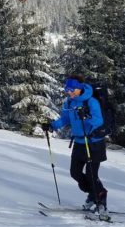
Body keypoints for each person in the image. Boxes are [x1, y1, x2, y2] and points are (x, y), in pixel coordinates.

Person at [41, 75, 109, 217]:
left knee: (91, 175)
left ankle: (100, 199)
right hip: (79, 142)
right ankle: (93, 193)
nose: (69, 92)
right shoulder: (70, 102)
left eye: (72, 89)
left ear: (79, 88)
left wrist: (87, 116)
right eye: (67, 89)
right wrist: (52, 126)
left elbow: (99, 120)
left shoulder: (91, 101)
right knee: (75, 173)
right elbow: (65, 118)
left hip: (93, 142)